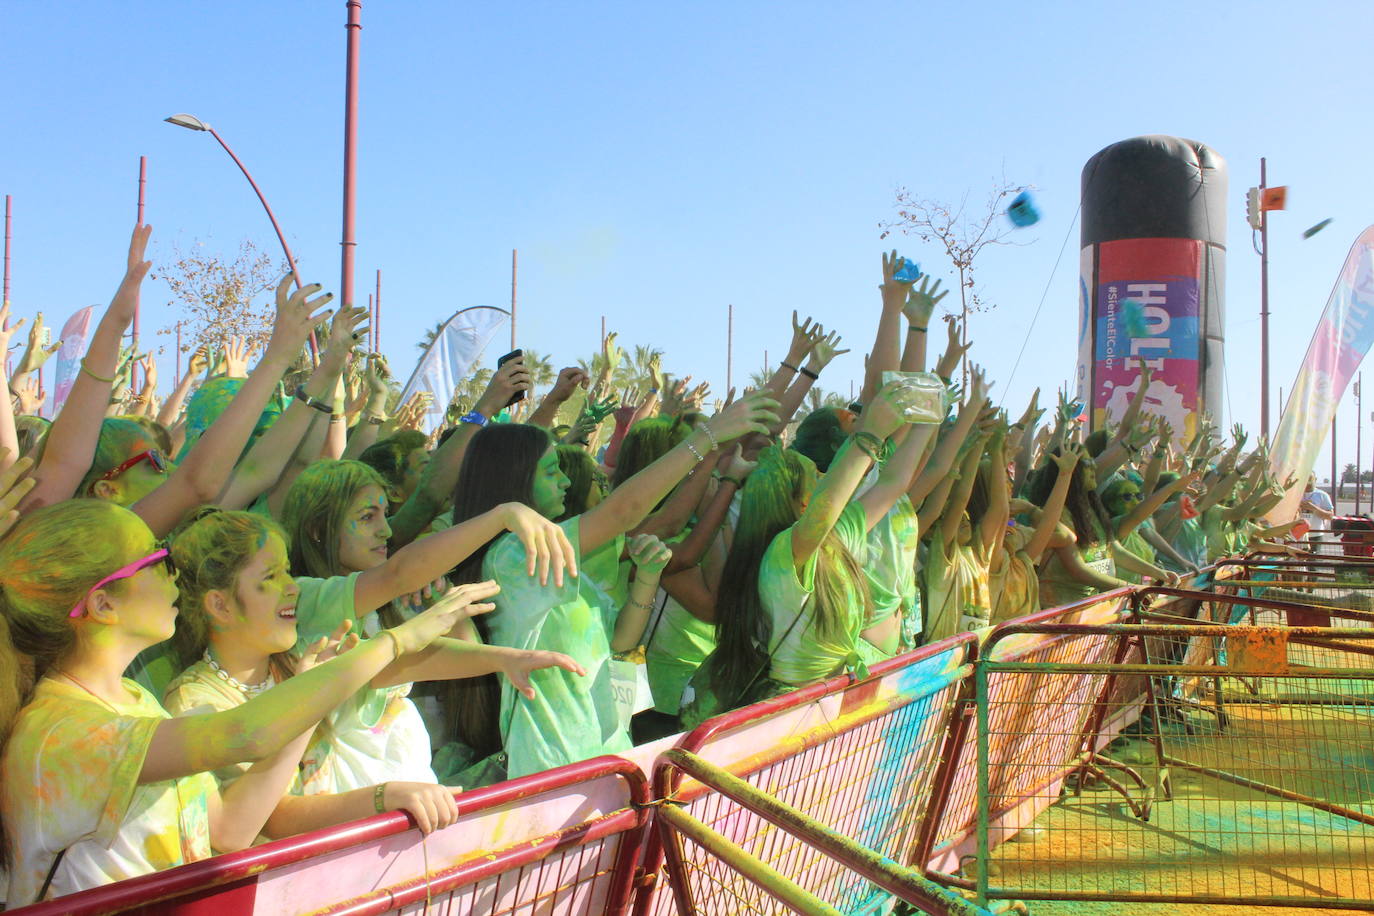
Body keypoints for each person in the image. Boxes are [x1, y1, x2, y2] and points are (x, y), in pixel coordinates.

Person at [0, 500, 472, 902]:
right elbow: (244, 736)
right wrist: (392, 642)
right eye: (157, 559)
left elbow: (228, 830)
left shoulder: (130, 698)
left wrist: (305, 698)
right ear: (103, 604)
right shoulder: (65, 728)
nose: (174, 576)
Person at [445, 392, 779, 777]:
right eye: (551, 472)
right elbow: (623, 512)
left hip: (607, 753)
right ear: (514, 478)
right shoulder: (512, 555)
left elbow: (620, 643)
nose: (567, 480)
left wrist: (648, 577)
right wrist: (707, 436)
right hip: (552, 766)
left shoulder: (565, 557)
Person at [278, 458, 582, 790]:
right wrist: (503, 515)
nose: (387, 530)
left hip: (407, 794)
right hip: (352, 807)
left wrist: (449, 614)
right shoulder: (303, 599)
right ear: (318, 530)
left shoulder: (385, 606)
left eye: (384, 514)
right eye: (367, 517)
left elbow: (438, 666)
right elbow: (399, 574)